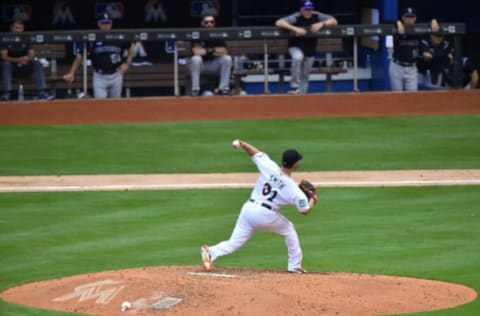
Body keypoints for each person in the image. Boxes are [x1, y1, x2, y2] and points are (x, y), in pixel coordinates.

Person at [200, 140, 317, 273]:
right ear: (295, 164)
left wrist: (242, 144)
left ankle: (210, 252)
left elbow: (255, 153)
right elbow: (305, 210)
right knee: (289, 229)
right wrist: (312, 199)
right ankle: (294, 265)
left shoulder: (269, 166)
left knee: (233, 243)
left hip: (248, 209)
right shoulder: (294, 191)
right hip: (264, 215)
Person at [62, 12, 135, 98]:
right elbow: (80, 55)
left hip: (116, 75)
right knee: (100, 105)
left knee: (115, 106)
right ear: (98, 24)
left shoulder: (118, 36)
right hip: (100, 77)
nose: (106, 26)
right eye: (103, 23)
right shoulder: (93, 38)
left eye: (108, 23)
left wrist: (127, 63)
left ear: (111, 23)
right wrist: (72, 73)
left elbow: (132, 46)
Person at [275, 0, 337, 94]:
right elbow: (279, 22)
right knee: (298, 57)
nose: (308, 11)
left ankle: (303, 96)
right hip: (295, 47)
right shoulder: (296, 16)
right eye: (306, 9)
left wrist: (322, 24)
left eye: (310, 9)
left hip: (310, 49)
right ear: (301, 9)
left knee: (305, 76)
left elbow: (334, 21)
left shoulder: (317, 15)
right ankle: (294, 86)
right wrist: (295, 28)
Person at [1, 19, 54, 101]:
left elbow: (32, 55)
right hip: (11, 68)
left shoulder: (26, 37)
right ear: (11, 28)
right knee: (6, 64)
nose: (18, 30)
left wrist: (26, 59)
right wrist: (17, 60)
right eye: (16, 28)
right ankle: (6, 93)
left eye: (20, 28)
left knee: (37, 63)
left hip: (24, 67)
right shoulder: (5, 38)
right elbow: (4, 57)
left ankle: (42, 92)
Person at [389, 7, 440, 91]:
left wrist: (434, 20)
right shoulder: (398, 29)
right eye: (407, 17)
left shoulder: (418, 31)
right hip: (397, 67)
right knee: (397, 97)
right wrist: (396, 22)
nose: (409, 20)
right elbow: (384, 22)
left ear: (415, 18)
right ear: (403, 18)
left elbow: (423, 45)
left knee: (412, 97)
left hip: (412, 68)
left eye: (411, 17)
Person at [188, 15, 232, 96]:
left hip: (213, 65)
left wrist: (206, 51)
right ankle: (195, 89)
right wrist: (214, 50)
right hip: (201, 66)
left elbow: (224, 51)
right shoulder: (197, 33)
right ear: (202, 23)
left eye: (211, 22)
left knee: (227, 58)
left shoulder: (217, 34)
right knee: (195, 59)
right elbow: (196, 51)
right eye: (206, 22)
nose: (209, 24)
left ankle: (223, 89)